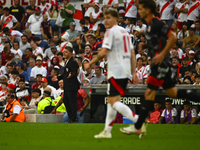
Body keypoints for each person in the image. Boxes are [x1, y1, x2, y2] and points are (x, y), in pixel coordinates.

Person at [120, 0, 200, 138]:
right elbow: (158, 42)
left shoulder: (157, 23)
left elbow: (173, 37)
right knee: (174, 93)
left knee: (149, 94)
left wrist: (162, 54)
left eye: (141, 9)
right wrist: (145, 46)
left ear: (148, 10)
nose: (139, 11)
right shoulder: (149, 26)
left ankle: (139, 126)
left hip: (162, 64)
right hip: (158, 65)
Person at [84, 9, 140, 138]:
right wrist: (134, 72)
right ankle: (107, 131)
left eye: (108, 18)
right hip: (124, 70)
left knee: (113, 102)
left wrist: (90, 63)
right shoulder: (125, 32)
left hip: (116, 70)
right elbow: (132, 53)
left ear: (116, 18)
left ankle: (139, 120)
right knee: (112, 102)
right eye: (104, 18)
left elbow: (104, 52)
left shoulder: (111, 32)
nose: (105, 20)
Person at [57, 46, 80, 123]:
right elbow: (65, 73)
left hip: (72, 86)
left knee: (72, 102)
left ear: (70, 53)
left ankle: (73, 119)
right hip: (67, 86)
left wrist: (72, 75)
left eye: (66, 52)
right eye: (64, 52)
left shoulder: (73, 61)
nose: (64, 53)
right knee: (66, 101)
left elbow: (74, 71)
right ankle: (71, 117)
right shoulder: (67, 61)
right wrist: (58, 77)